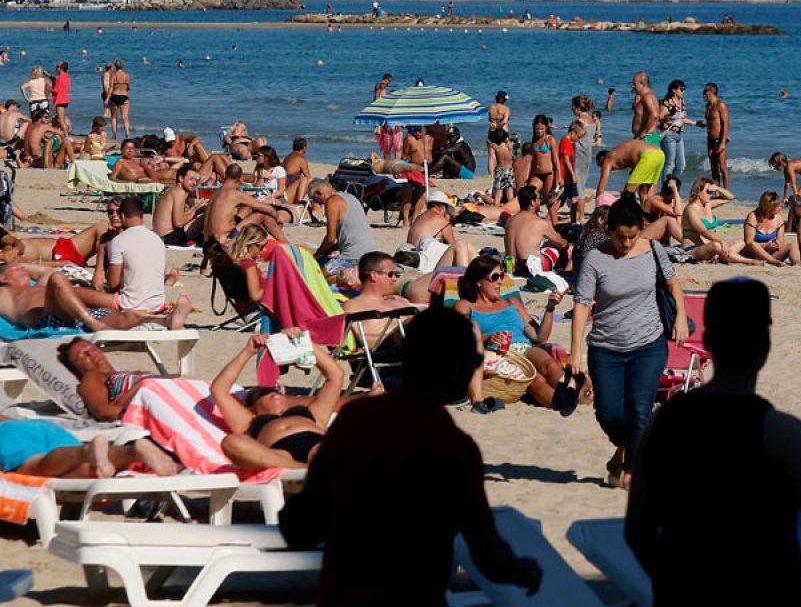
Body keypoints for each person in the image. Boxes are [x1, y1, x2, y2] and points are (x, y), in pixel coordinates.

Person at [279, 307, 543, 606]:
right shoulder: (454, 447)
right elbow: (484, 550)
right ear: (458, 368)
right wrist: (524, 571)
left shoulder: (357, 419)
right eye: (476, 360)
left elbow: (301, 526)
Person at [627, 278, 801, 604]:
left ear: (708, 341)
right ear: (765, 345)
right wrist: (791, 573)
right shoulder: (783, 434)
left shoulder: (663, 422)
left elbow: (637, 531)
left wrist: (672, 578)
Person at [570, 193, 688, 488]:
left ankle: (632, 472)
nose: (626, 244)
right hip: (605, 348)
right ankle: (624, 448)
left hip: (647, 345)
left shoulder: (654, 251)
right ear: (610, 230)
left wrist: (682, 318)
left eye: (632, 237)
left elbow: (673, 284)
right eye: (621, 237)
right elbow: (583, 304)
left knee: (638, 411)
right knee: (608, 414)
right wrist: (575, 353)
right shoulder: (596, 258)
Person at [0, 401, 176, 478]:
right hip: (30, 426)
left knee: (39, 466)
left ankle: (86, 452)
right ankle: (131, 452)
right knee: (80, 467)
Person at [453, 254, 572, 409]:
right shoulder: (465, 306)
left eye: (502, 275)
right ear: (478, 282)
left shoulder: (512, 302)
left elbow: (539, 337)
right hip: (498, 354)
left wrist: (550, 308)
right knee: (534, 380)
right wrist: (488, 338)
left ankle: (577, 397)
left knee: (550, 365)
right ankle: (563, 404)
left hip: (524, 348)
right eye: (494, 277)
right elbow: (462, 339)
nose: (500, 281)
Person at [210, 331, 343, 469]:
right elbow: (219, 390)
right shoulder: (248, 423)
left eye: (277, 389)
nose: (274, 390)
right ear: (253, 406)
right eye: (264, 391)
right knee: (230, 442)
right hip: (280, 457)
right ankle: (302, 468)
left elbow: (335, 376)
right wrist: (248, 351)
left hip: (318, 445)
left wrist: (302, 341)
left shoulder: (314, 415)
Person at [0, 260, 189, 332]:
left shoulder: (39, 283)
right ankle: (93, 323)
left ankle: (166, 321)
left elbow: (48, 271)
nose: (23, 270)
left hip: (75, 312)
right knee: (60, 280)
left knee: (125, 318)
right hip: (48, 319)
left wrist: (21, 264)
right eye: (16, 269)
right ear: (3, 277)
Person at [57, 339, 167, 423]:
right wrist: (146, 417)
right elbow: (102, 411)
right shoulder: (92, 377)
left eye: (91, 349)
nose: (91, 354)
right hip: (159, 409)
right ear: (77, 369)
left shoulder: (124, 373)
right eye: (83, 356)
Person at [105, 199, 183, 315]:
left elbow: (113, 284)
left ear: (122, 216)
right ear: (142, 216)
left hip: (130, 305)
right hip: (157, 304)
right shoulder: (157, 239)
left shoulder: (119, 241)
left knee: (80, 293)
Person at [306, 179, 379, 280]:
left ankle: (348, 278)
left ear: (319, 193)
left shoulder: (332, 201)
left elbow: (330, 238)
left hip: (353, 257)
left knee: (317, 278)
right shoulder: (350, 197)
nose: (318, 203)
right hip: (371, 252)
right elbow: (349, 233)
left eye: (316, 199)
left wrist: (317, 255)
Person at [204, 164, 287, 244]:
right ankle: (287, 244)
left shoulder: (217, 193)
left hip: (209, 242)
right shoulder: (233, 193)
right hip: (225, 241)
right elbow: (269, 209)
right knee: (261, 215)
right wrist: (278, 219)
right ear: (239, 179)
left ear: (225, 175)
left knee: (245, 210)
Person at [682, 177, 754, 265]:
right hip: (693, 249)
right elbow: (703, 231)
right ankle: (748, 261)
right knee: (717, 246)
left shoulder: (708, 204)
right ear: (698, 191)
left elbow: (730, 198)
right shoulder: (690, 209)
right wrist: (721, 241)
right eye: (708, 192)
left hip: (711, 245)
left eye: (711, 192)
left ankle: (722, 256)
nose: (710, 195)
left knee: (743, 241)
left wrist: (718, 188)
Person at [503, 187, 569, 272]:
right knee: (556, 246)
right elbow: (563, 244)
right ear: (532, 203)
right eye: (539, 198)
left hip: (511, 266)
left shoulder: (510, 220)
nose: (540, 201)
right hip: (529, 268)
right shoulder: (540, 223)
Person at [657, 80, 703, 183]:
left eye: (684, 89)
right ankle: (666, 190)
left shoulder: (682, 102)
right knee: (670, 164)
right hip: (668, 135)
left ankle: (674, 187)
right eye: (681, 89)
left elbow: (682, 119)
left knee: (681, 166)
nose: (683, 91)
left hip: (679, 135)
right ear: (674, 90)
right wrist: (667, 117)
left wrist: (696, 123)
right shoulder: (666, 102)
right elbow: (659, 117)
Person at [152, 165, 206, 245]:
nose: (194, 183)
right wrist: (195, 210)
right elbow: (179, 223)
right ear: (181, 178)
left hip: (160, 237)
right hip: (168, 238)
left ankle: (201, 241)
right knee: (205, 217)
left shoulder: (171, 190)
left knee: (200, 214)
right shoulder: (179, 192)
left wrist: (196, 209)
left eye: (196, 180)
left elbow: (180, 217)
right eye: (191, 179)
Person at [593, 138, 665, 197]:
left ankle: (623, 214)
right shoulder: (618, 153)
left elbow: (601, 187)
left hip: (648, 155)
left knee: (627, 193)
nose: (601, 167)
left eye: (600, 164)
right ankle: (647, 213)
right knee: (644, 191)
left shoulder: (607, 159)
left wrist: (598, 204)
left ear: (603, 158)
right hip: (660, 154)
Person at [742, 191, 797, 266]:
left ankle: (798, 263)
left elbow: (781, 240)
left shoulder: (778, 218)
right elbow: (748, 242)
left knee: (792, 245)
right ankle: (773, 262)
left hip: (771, 253)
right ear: (769, 207)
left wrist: (777, 244)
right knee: (753, 244)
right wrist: (766, 245)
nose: (780, 208)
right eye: (777, 206)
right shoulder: (753, 217)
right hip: (755, 253)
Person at [702, 82, 730, 189]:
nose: (703, 95)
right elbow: (712, 122)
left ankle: (726, 192)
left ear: (710, 92)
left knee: (722, 167)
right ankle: (717, 191)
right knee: (713, 167)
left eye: (704, 92)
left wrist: (723, 142)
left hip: (720, 139)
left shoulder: (721, 105)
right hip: (710, 139)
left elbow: (725, 124)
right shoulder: (708, 106)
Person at [630, 71, 661, 144]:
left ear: (643, 84)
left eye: (634, 84)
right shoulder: (644, 97)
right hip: (644, 137)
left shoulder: (648, 97)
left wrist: (644, 132)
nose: (632, 86)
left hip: (646, 138)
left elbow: (655, 115)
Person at [104, 59, 131, 137]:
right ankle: (127, 132)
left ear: (115, 66)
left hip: (114, 96)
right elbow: (129, 87)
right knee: (125, 117)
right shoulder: (127, 75)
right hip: (124, 96)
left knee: (114, 117)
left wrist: (107, 98)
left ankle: (114, 134)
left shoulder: (113, 75)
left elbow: (111, 87)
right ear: (123, 66)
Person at [51, 61, 72, 135]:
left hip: (60, 101)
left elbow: (55, 91)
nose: (55, 68)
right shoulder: (66, 76)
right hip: (65, 100)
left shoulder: (59, 78)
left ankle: (66, 136)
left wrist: (48, 89)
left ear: (60, 68)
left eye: (57, 67)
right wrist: (49, 75)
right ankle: (69, 129)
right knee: (62, 117)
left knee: (61, 120)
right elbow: (58, 82)